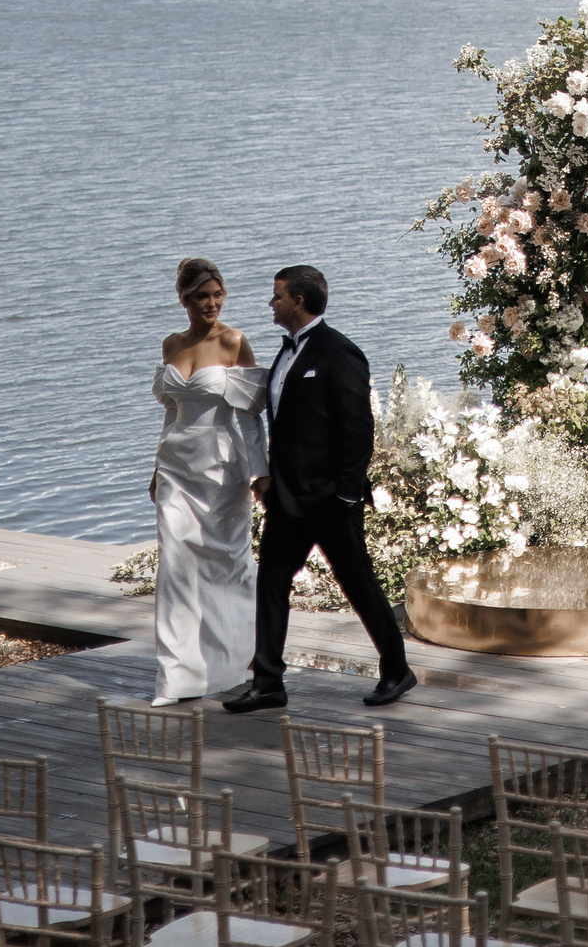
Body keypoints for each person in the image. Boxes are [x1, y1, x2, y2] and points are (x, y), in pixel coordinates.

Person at [223, 265, 416, 712]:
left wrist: (346, 494)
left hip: (331, 499)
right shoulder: (286, 353)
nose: (270, 304)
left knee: (359, 584)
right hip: (288, 498)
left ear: (298, 301)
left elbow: (358, 430)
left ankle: (397, 670)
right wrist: (267, 477)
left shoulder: (339, 352)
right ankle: (268, 681)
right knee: (271, 582)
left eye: (276, 297)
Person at [148, 257, 267, 705]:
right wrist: (156, 469)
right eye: (201, 296)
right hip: (176, 468)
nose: (211, 303)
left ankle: (243, 657)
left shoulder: (234, 342)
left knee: (229, 566)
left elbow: (252, 420)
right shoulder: (171, 344)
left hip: (222, 471)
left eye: (217, 295)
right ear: (183, 299)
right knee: (174, 567)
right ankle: (177, 677)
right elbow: (170, 413)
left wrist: (261, 472)